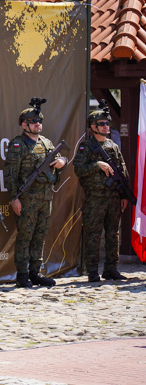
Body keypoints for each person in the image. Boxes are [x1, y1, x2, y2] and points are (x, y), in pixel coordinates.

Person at [4, 99, 67, 288]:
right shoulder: (18, 144)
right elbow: (10, 174)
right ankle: (22, 275)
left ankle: (36, 272)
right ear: (24, 125)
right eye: (33, 122)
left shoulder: (47, 142)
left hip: (45, 198)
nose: (37, 124)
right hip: (27, 199)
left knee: (40, 236)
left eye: (39, 121)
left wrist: (62, 161)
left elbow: (57, 162)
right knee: (25, 236)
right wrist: (14, 198)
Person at [73, 104, 129, 282]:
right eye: (102, 123)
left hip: (113, 197)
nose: (106, 126)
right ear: (93, 126)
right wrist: (97, 165)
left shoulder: (112, 145)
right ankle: (92, 271)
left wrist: (124, 195)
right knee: (93, 234)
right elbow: (79, 169)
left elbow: (122, 170)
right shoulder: (86, 147)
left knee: (113, 233)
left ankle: (111, 269)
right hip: (95, 198)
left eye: (108, 123)